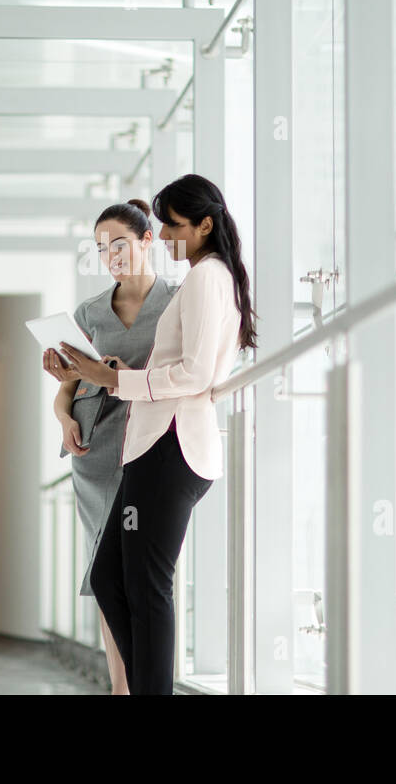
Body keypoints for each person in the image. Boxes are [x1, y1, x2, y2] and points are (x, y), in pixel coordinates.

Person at [59, 173, 257, 694]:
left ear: (204, 225)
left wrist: (112, 379)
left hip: (171, 445)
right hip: (152, 447)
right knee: (111, 579)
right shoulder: (207, 277)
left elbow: (195, 374)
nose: (166, 235)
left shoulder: (205, 278)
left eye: (172, 225)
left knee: (147, 588)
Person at [42, 199, 177, 695]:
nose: (110, 255)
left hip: (149, 450)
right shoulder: (89, 313)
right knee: (105, 577)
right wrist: (63, 418)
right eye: (101, 249)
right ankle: (120, 688)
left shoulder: (176, 302)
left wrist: (119, 374)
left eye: (119, 243)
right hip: (96, 456)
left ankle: (151, 681)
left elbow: (182, 375)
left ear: (146, 241)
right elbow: (67, 392)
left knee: (145, 575)